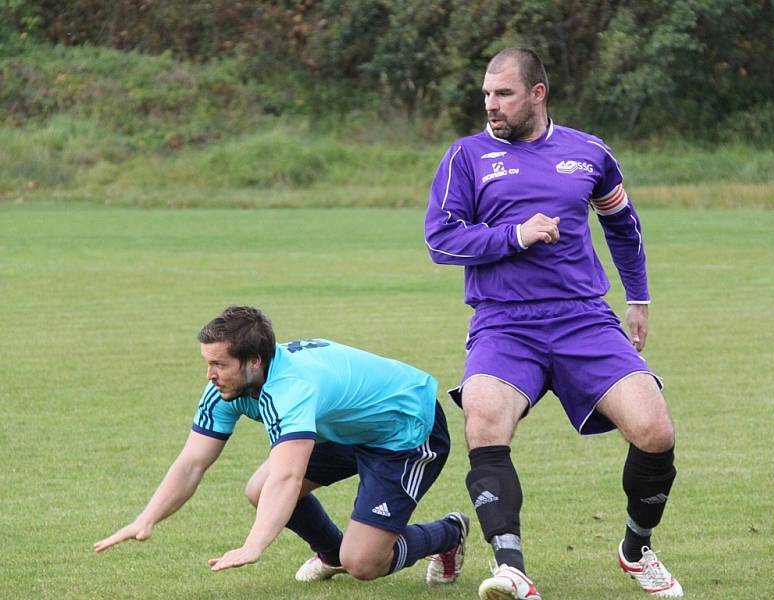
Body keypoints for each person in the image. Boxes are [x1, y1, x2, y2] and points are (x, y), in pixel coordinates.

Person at [424, 48, 682, 599]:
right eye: (487, 94)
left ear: (537, 94)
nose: (491, 106)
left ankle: (636, 551)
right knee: (483, 420)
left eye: (504, 94)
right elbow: (441, 240)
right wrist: (515, 235)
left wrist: (639, 298)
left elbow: (623, 225)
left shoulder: (588, 152)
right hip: (504, 323)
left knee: (656, 431)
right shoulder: (466, 157)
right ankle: (511, 567)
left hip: (583, 319)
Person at [94, 305, 469, 587]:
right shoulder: (228, 389)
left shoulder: (290, 391)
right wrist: (146, 519)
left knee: (364, 563)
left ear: (254, 361)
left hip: (403, 429)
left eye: (219, 364)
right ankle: (330, 555)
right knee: (259, 489)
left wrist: (254, 544)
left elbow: (288, 477)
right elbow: (193, 462)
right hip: (342, 427)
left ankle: (449, 533)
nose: (209, 375)